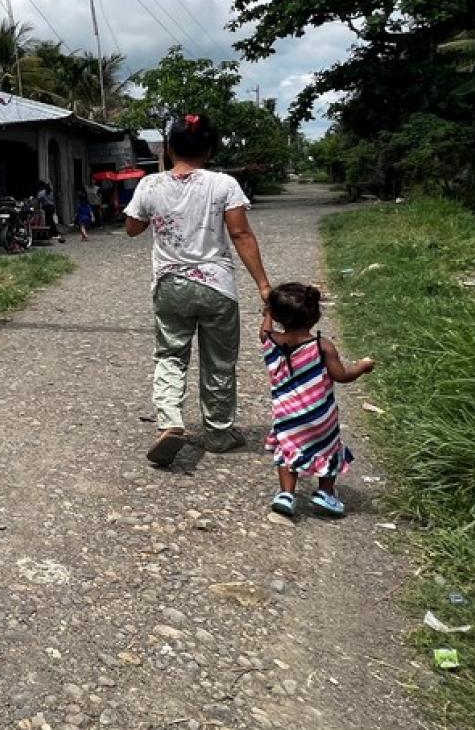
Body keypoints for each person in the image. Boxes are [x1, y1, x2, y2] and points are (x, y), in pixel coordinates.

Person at [124, 113, 271, 467]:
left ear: (170, 147)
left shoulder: (149, 185)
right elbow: (240, 235)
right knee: (219, 361)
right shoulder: (223, 184)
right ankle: (219, 433)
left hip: (171, 285)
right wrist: (263, 285)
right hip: (217, 287)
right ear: (210, 149)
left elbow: (132, 228)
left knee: (171, 354)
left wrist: (155, 204)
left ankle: (171, 422)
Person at [261, 282, 374, 518]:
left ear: (277, 315)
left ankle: (286, 494)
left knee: (287, 451)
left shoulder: (270, 341)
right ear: (315, 316)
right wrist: (362, 367)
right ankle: (325, 493)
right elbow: (342, 376)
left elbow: (264, 329)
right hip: (320, 416)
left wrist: (268, 313)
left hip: (288, 416)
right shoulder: (322, 346)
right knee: (328, 451)